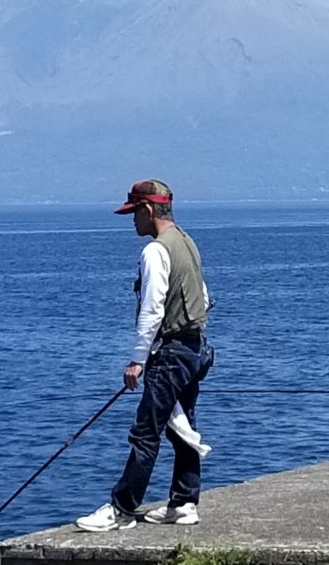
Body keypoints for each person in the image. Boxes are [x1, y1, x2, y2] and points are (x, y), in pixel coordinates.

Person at [75, 179, 216, 532]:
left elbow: (152, 309)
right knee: (183, 428)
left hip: (170, 354)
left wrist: (137, 360)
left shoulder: (155, 250)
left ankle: (122, 509)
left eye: (133, 213)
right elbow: (202, 294)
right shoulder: (187, 242)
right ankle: (184, 503)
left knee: (145, 431)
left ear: (148, 210)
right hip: (196, 348)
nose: (132, 221)